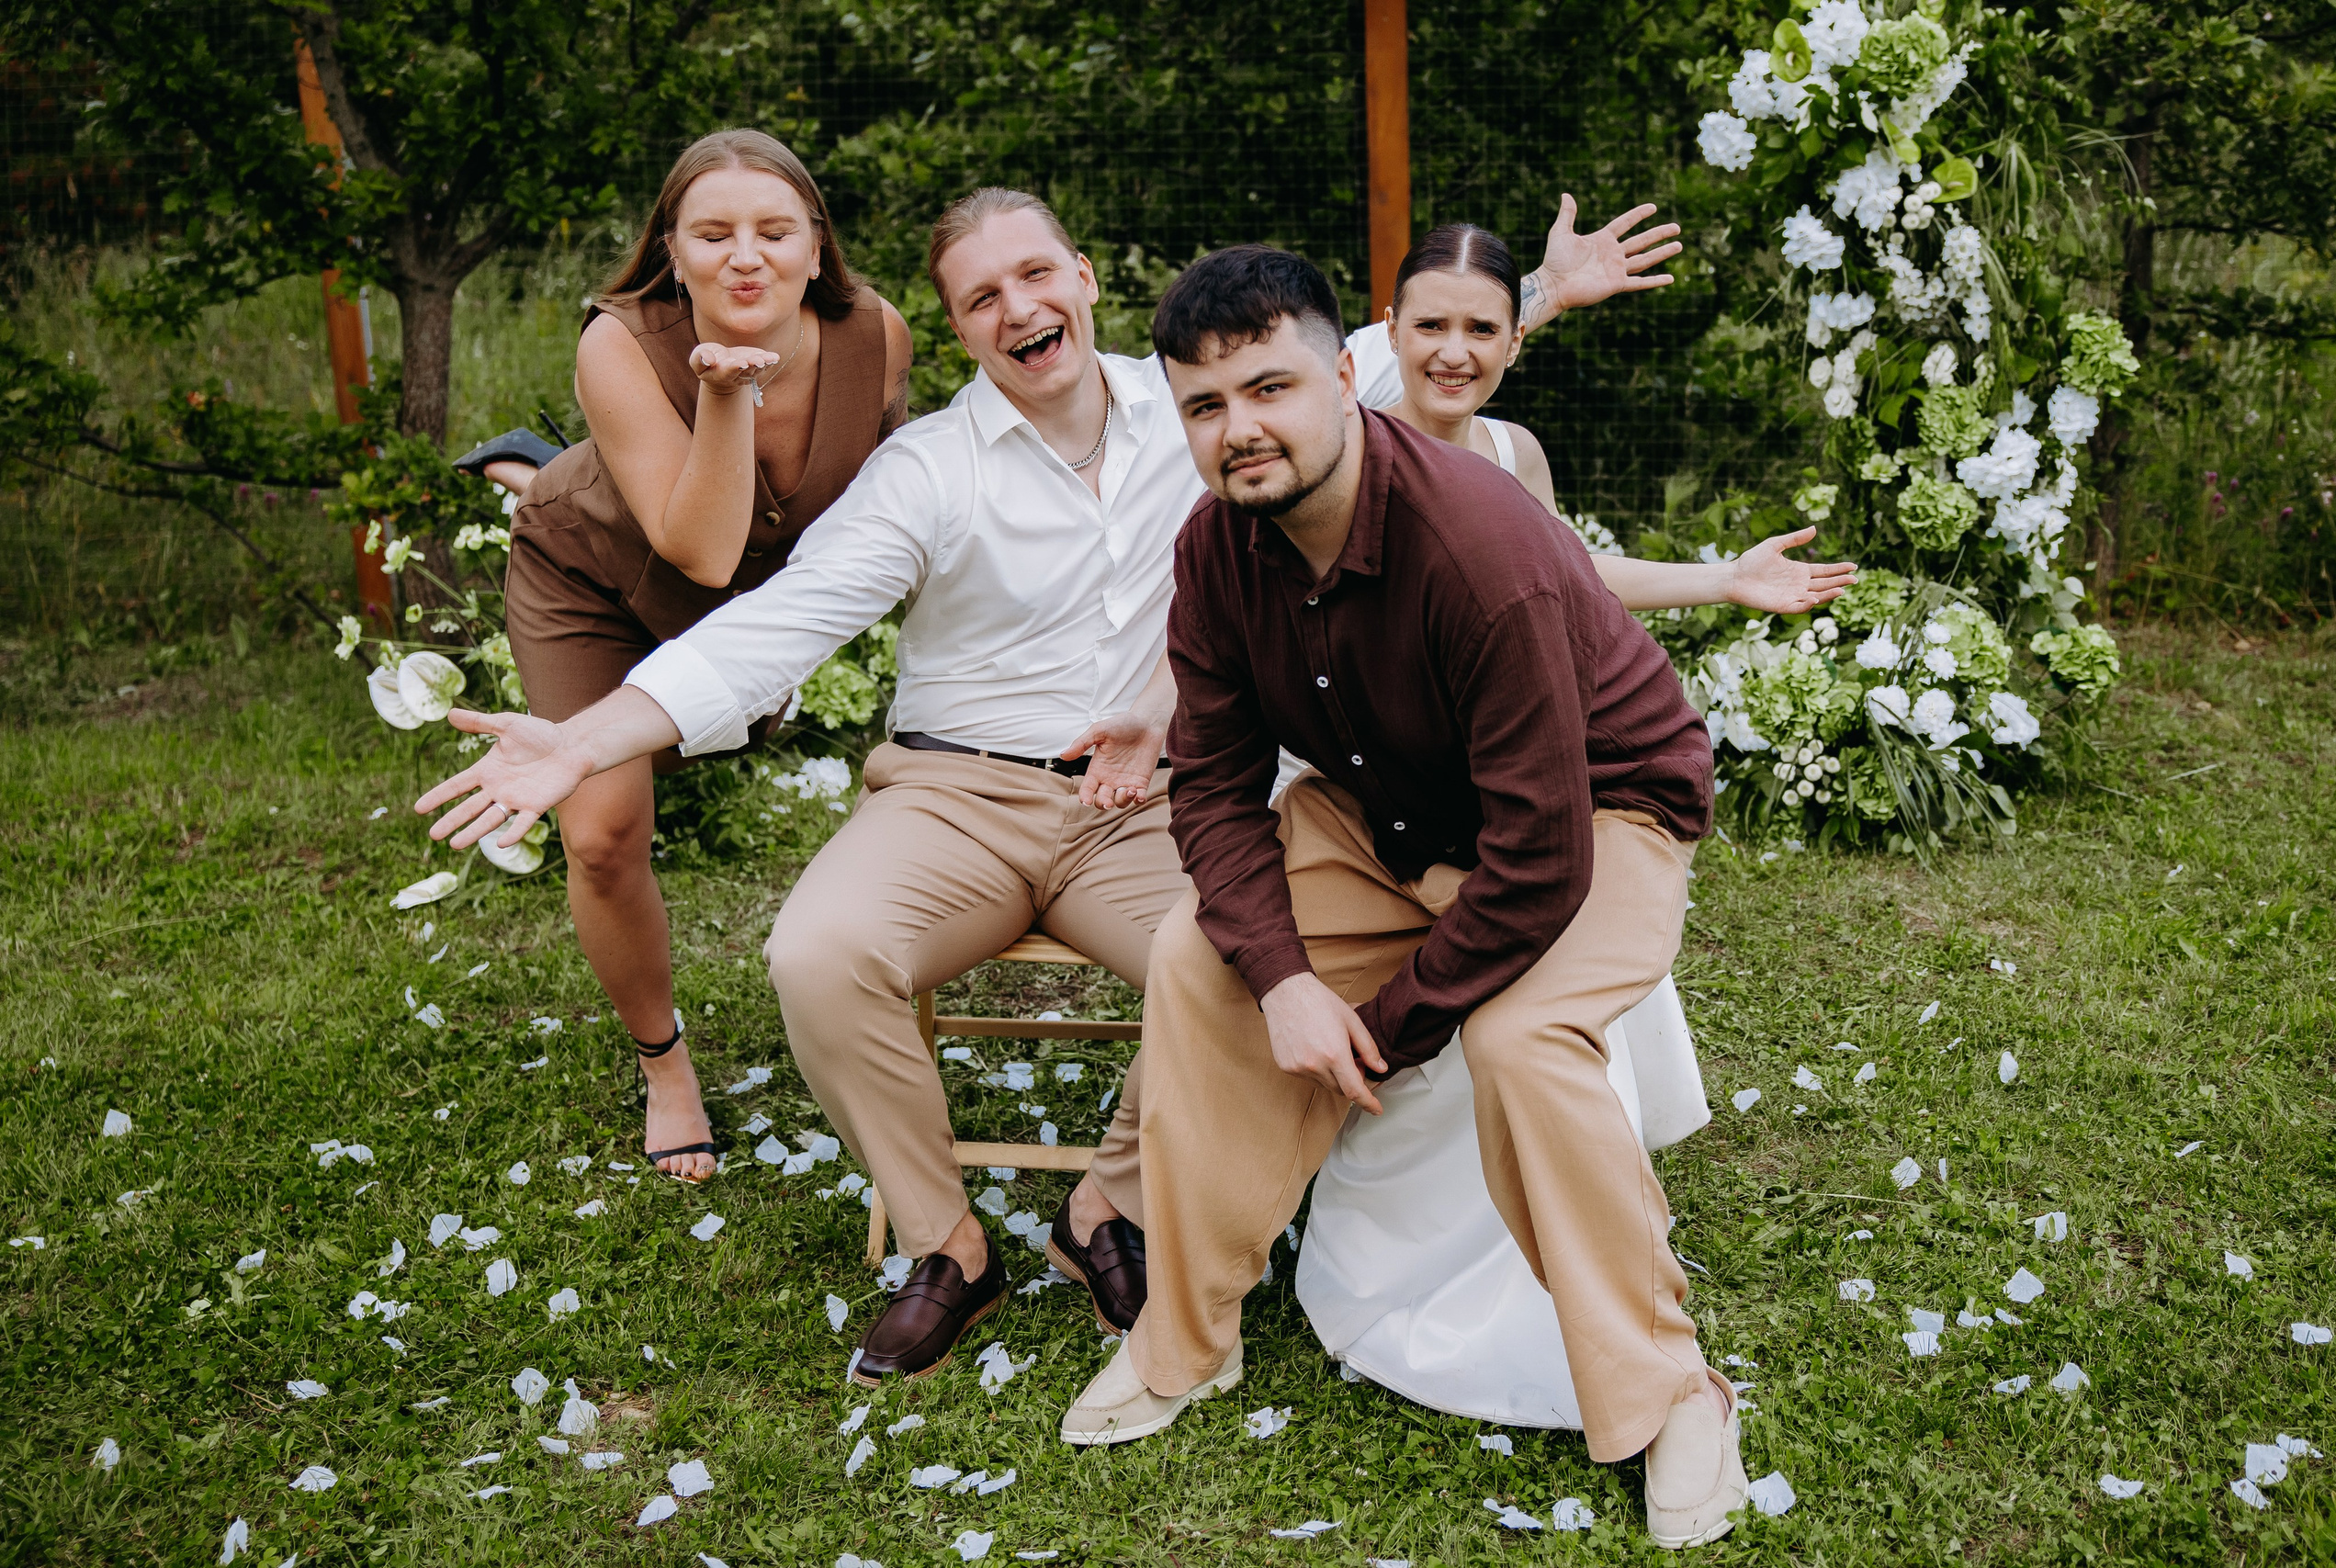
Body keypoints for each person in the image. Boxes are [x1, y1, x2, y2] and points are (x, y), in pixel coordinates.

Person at [408, 186, 1687, 1385]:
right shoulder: (925, 470)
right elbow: (779, 623)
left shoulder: (1200, 406)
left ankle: (1108, 1202)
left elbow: (1373, 354)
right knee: (817, 951)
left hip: (1144, 806)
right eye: (980, 296)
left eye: (1036, 273)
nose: (1018, 308)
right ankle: (944, 1241)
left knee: (1245, 957)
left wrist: (1550, 294)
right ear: (958, 330)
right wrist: (592, 738)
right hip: (949, 795)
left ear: (1081, 279)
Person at [1058, 246, 1748, 1551]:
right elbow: (1212, 783)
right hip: (1391, 810)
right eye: (1204, 406)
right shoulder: (1215, 546)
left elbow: (1541, 855)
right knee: (1194, 956)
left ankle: (1673, 1391)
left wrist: (1385, 1019)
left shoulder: (1481, 548)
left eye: (1268, 387)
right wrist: (1286, 979)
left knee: (1522, 1041)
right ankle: (1189, 1337)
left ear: (1343, 376)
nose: (1238, 428)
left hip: (1598, 810)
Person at [1304, 220, 1854, 1428]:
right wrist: (1556, 288)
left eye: (1482, 329)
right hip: (1392, 782)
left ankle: (1572, 1231)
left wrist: (1723, 578)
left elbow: (1573, 573)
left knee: (1538, 961)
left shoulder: (1513, 452)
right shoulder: (1335, 444)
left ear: (1510, 345)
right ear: (1383, 337)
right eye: (1428, 326)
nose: (1453, 350)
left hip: (1524, 772)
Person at [481, 130, 911, 1182]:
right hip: (592, 581)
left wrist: (810, 632)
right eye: (712, 234)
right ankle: (664, 1063)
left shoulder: (877, 337)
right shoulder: (619, 344)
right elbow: (703, 549)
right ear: (672, 251)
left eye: (775, 231)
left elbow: (882, 512)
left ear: (818, 249)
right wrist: (724, 392)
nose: (745, 257)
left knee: (695, 743)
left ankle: (536, 470)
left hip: (739, 613)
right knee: (602, 829)